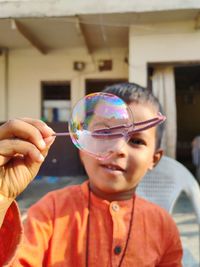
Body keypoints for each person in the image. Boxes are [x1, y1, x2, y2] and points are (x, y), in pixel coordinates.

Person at [0, 83, 182, 266]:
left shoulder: (164, 226)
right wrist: (1, 199)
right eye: (104, 133)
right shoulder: (50, 211)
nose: (116, 148)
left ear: (154, 159)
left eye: (136, 140)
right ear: (82, 145)